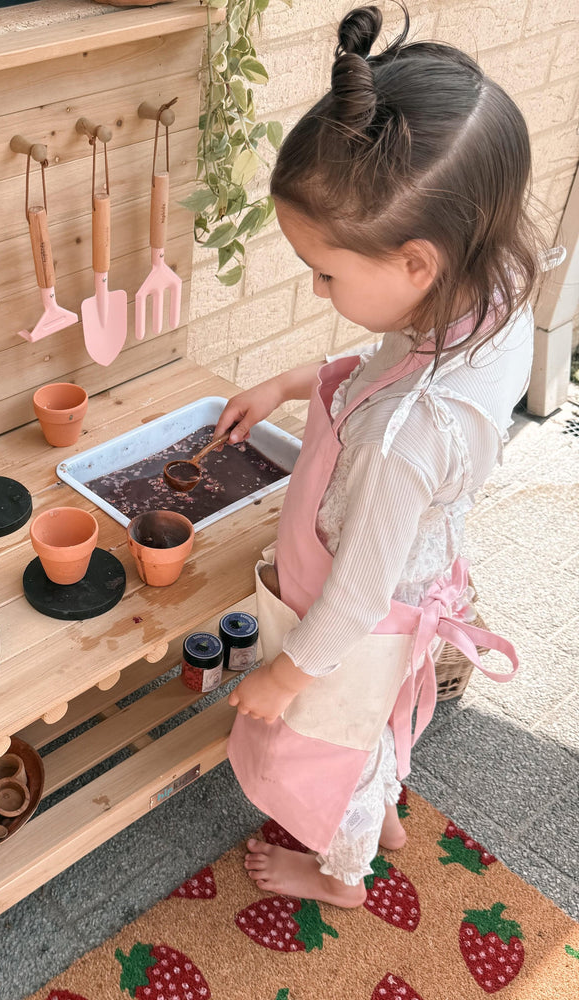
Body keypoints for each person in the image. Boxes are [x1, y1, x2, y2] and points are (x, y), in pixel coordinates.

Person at [215, 4, 540, 908]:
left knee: (332, 732)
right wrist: (290, 381)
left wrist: (285, 674)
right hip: (405, 567)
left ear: (415, 263)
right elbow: (385, 357)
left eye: (325, 272)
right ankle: (382, 799)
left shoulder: (407, 441)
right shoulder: (489, 288)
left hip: (368, 607)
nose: (316, 288)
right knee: (375, 724)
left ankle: (342, 876)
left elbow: (355, 598)